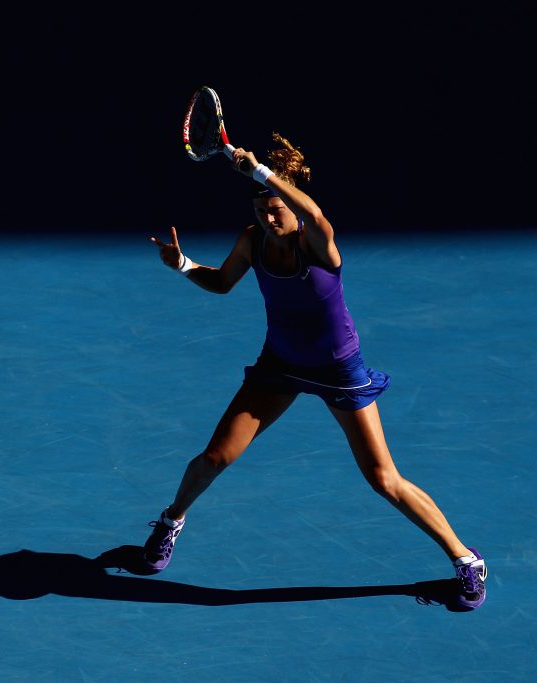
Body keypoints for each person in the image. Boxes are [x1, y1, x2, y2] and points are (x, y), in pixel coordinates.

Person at [143, 133, 487, 610]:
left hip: (338, 370)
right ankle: (170, 521)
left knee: (383, 478)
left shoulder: (317, 243)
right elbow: (221, 283)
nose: (268, 216)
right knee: (215, 458)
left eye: (277, 207)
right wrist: (181, 264)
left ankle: (466, 560)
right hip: (279, 366)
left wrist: (264, 172)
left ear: (292, 204)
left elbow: (318, 216)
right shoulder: (251, 240)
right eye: (261, 208)